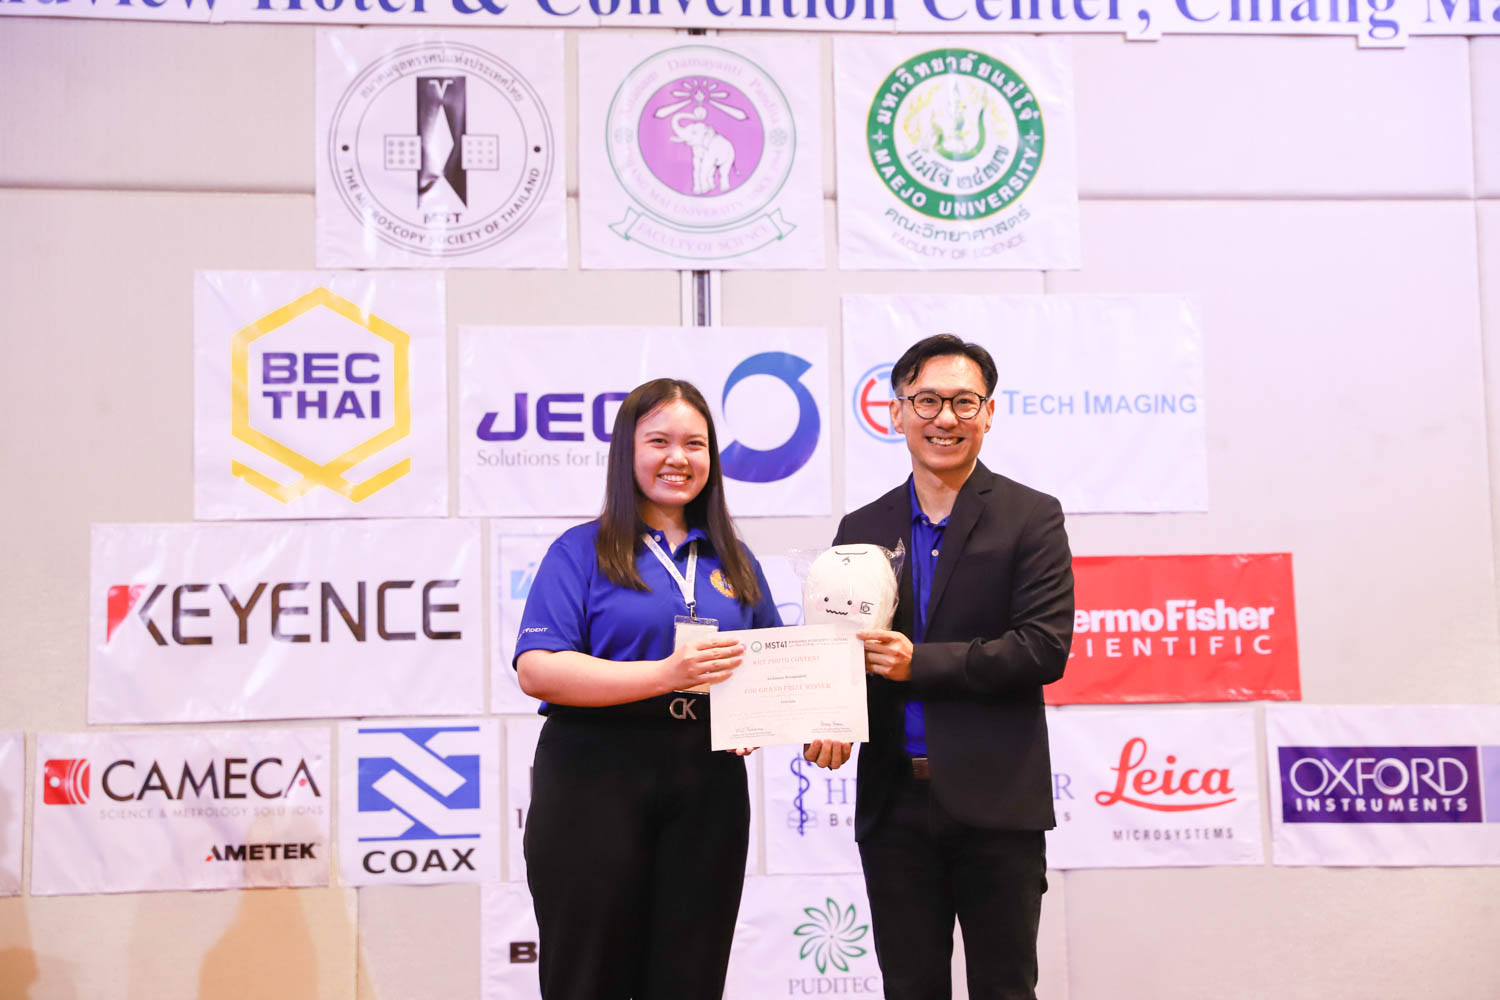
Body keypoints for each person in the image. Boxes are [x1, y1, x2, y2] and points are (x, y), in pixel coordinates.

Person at [805, 334, 1074, 1000]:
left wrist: (917, 664)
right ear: (896, 411)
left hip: (997, 802)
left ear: (989, 413)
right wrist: (828, 713)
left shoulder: (1031, 517)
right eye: (926, 400)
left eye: (963, 402)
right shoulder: (862, 527)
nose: (945, 418)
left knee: (1005, 988)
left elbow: (1042, 647)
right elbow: (841, 651)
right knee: (909, 988)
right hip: (894, 802)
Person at [514, 377, 781, 1000]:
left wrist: (785, 717)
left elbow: (772, 665)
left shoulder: (734, 560)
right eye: (659, 441)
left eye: (695, 444)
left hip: (707, 781)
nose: (678, 458)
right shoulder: (581, 550)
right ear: (627, 452)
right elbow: (538, 669)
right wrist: (667, 674)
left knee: (691, 978)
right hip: (594, 774)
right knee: (588, 977)